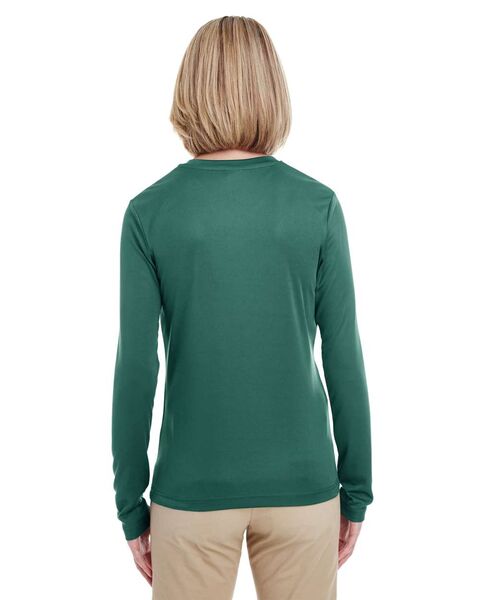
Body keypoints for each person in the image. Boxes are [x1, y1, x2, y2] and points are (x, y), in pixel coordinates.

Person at [111, 15, 373, 600]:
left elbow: (137, 367)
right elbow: (344, 358)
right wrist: (356, 490)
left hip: (190, 493)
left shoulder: (149, 213)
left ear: (191, 90)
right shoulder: (318, 206)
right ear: (271, 89)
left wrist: (131, 504)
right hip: (304, 489)